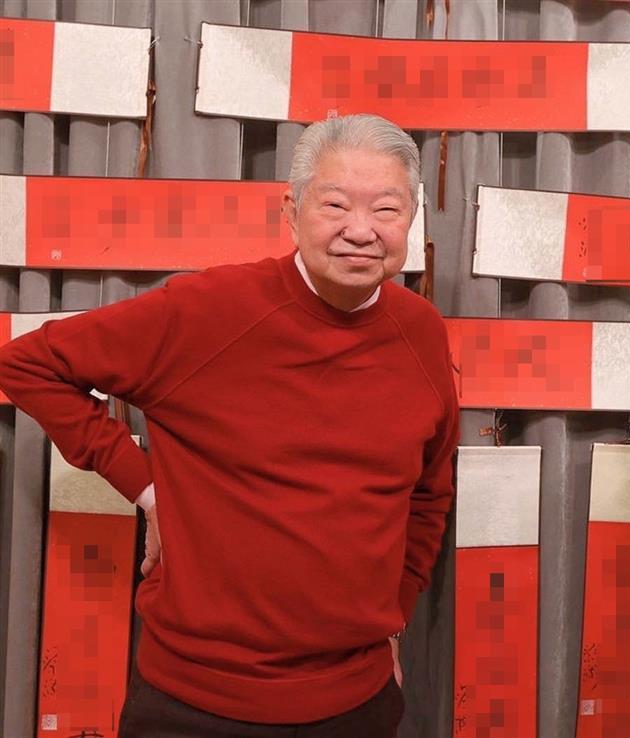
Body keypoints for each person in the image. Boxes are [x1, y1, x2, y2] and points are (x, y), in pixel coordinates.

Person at [0, 114, 459, 737]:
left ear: (412, 219)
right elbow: (29, 364)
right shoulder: (209, 311)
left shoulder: (422, 333)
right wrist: (148, 490)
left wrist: (391, 619)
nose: (361, 230)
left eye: (386, 208)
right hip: (193, 705)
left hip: (357, 702)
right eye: (334, 205)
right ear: (291, 212)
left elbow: (428, 495)